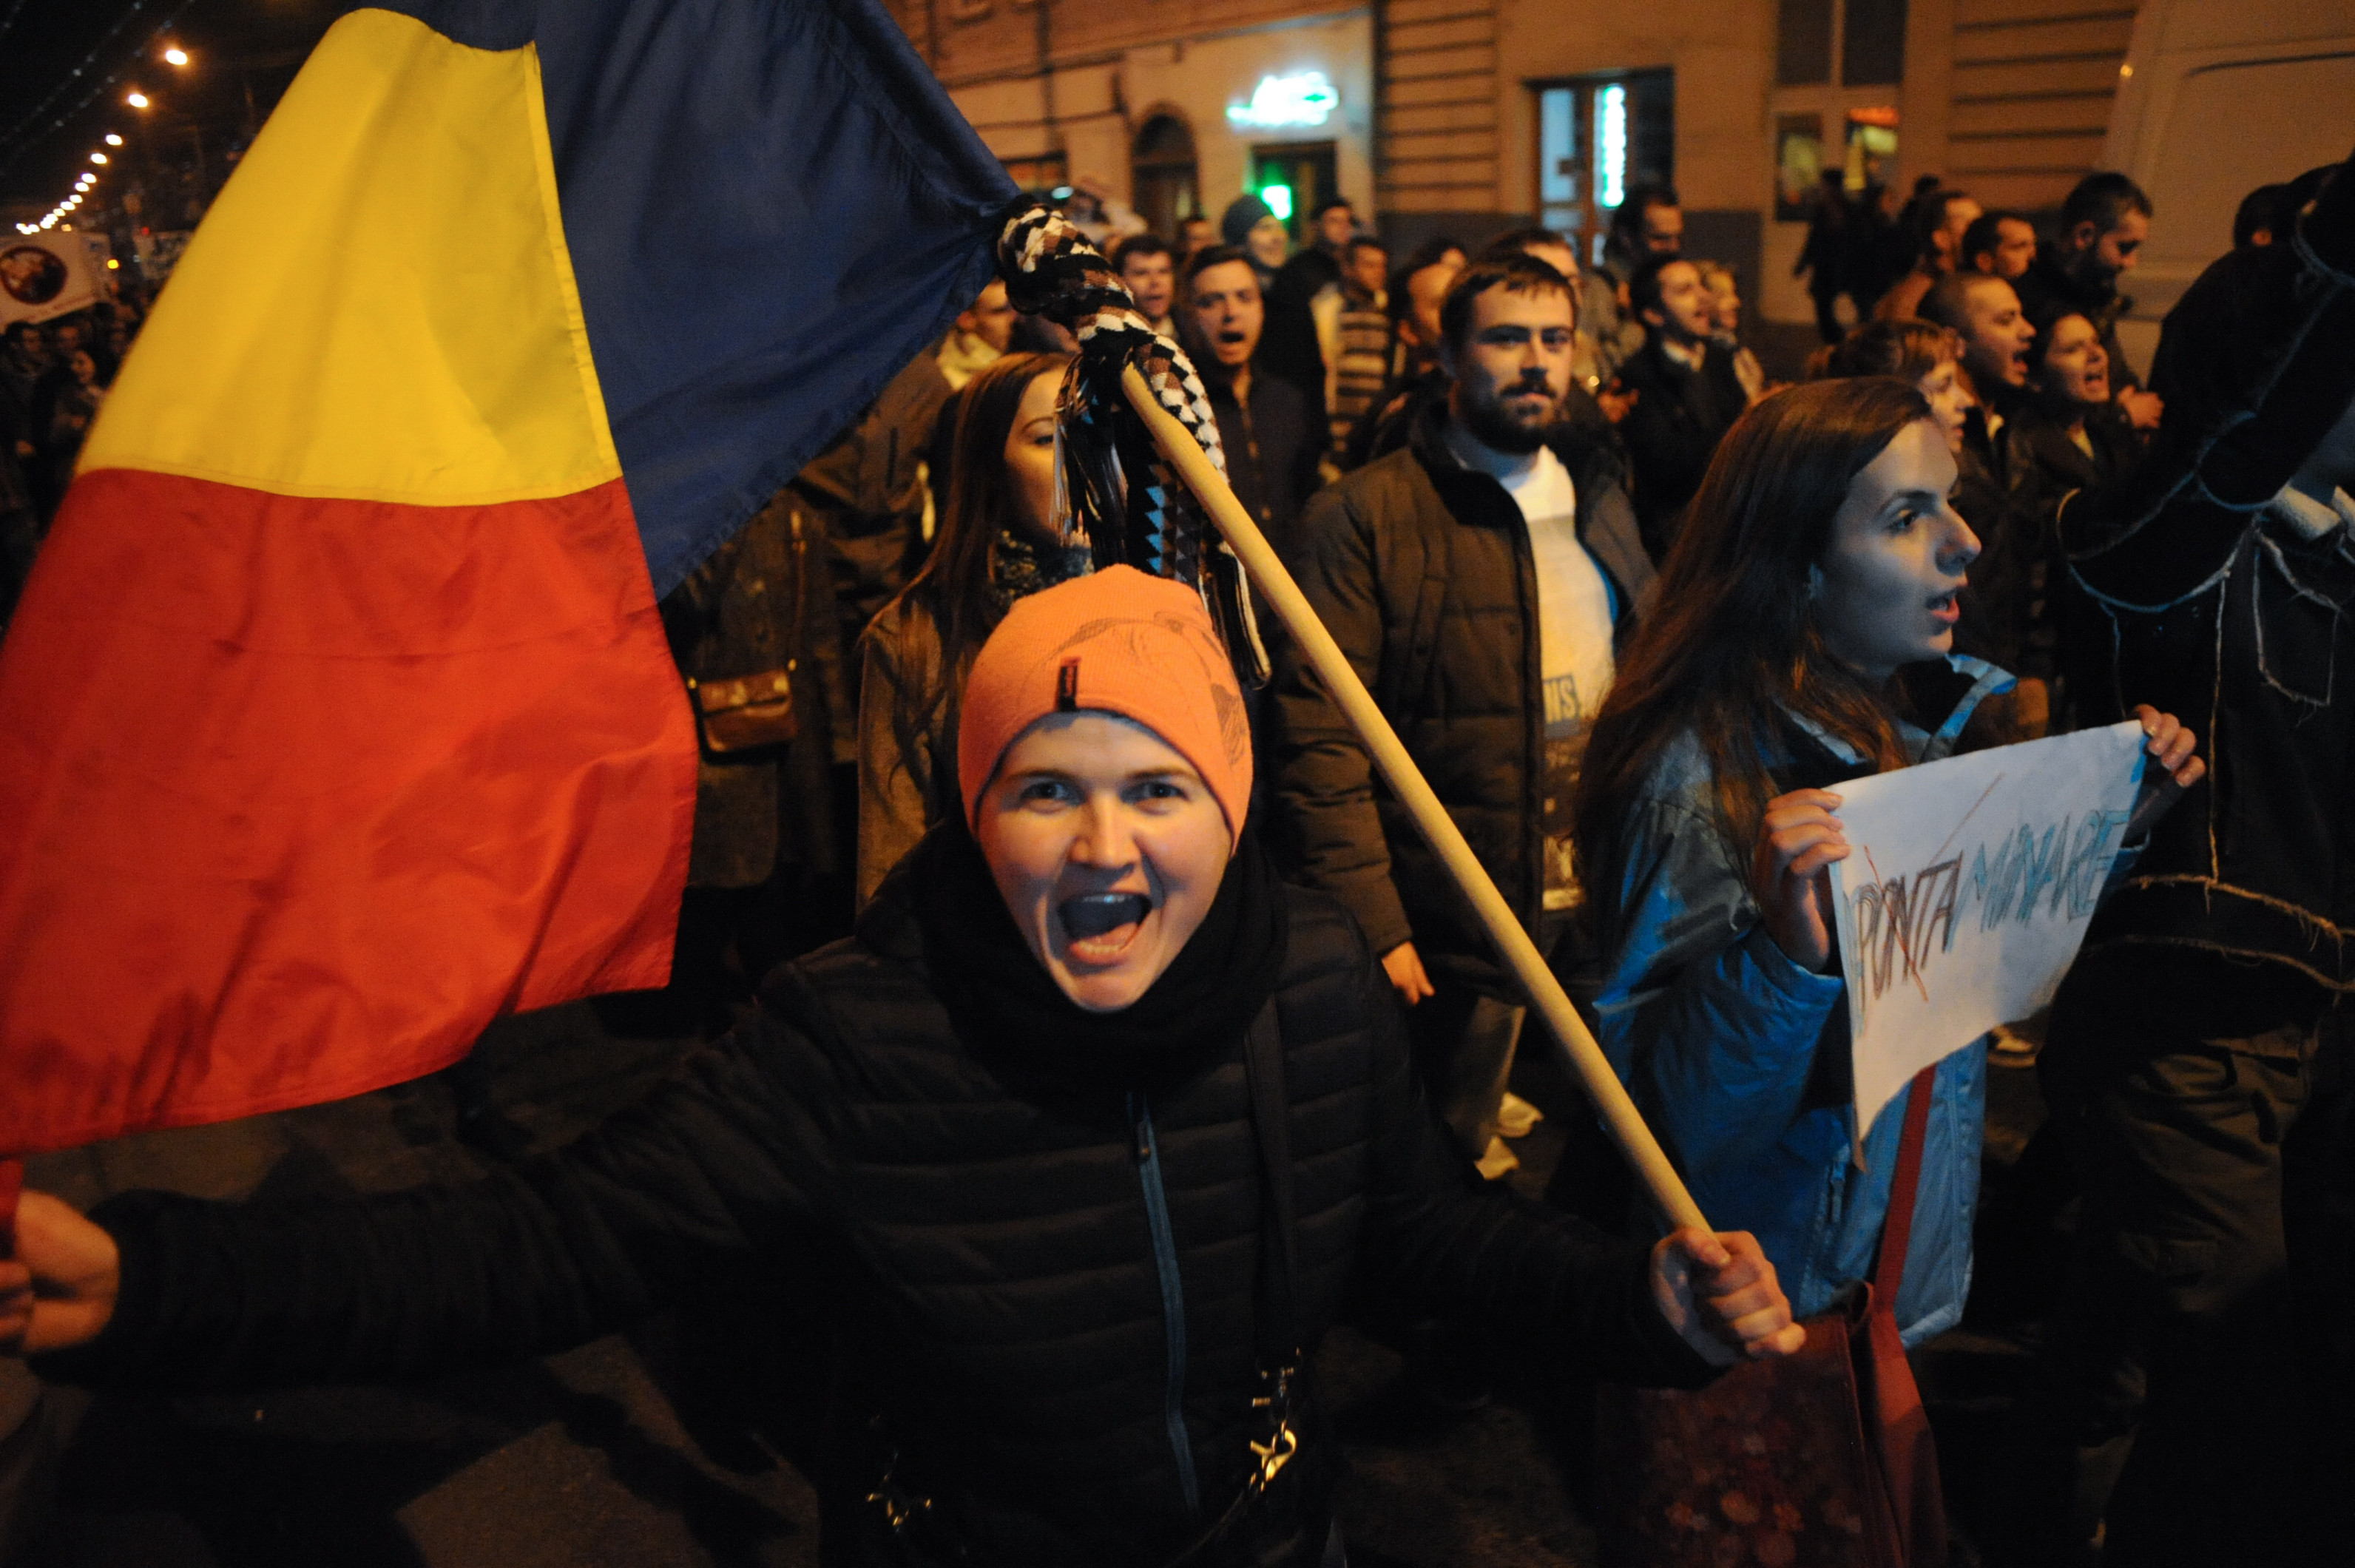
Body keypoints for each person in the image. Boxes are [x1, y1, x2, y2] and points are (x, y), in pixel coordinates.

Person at [2, 566, 1807, 1568]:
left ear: (1230, 803)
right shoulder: (852, 1032)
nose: (1101, 842)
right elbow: (534, 1242)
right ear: (972, 806)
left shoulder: (1313, 977)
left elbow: (1424, 1237)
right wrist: (160, 1275)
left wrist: (1633, 1294)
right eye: (1043, 784)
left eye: (1155, 784)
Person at [1574, 376, 2205, 1353]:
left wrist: (2111, 828)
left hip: (1889, 1286)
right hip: (1764, 1318)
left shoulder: (1936, 722)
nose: (1967, 540)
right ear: (1799, 562)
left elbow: (1974, 972)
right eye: (1908, 516)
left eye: (1949, 498)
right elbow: (1677, 1135)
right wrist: (1786, 964)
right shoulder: (1700, 782)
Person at [2021, 141, 2355, 1568]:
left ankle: (2033, 1516)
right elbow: (2238, 439)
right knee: (2240, 1358)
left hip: (2303, 1026)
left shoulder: (2338, 563)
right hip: (2176, 1025)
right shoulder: (2143, 539)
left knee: (2105, 1330)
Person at [1268, 254, 1655, 1178]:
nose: (1535, 362)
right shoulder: (1365, 515)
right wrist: (1375, 915)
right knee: (1439, 1148)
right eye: (1505, 337)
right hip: (1459, 914)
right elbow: (1318, 734)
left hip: (1595, 889)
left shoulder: (1596, 490)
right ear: (1444, 351)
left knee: (1600, 1149)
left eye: (1553, 340)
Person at [858, 351, 1081, 905]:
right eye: (1045, 439)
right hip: (982, 953)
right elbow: (889, 870)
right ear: (990, 465)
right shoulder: (918, 638)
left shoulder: (1163, 610)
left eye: (1094, 431)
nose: (1078, 459)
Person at [1918, 271, 2047, 709]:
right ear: (1957, 342)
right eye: (2006, 320)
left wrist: (2035, 665)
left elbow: (2029, 556)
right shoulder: (1937, 444)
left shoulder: (2012, 432)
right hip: (1947, 682)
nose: (2027, 331)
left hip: (2004, 674)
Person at [1183, 246, 1321, 555]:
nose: (1231, 313)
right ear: (1189, 315)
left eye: (1244, 298)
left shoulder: (1288, 401)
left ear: (1261, 308)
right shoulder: (1176, 410)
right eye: (1211, 302)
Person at [1614, 255, 1749, 563]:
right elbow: (1669, 467)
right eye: (1685, 291)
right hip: (1681, 540)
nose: (1704, 297)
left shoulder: (1720, 359)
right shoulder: (1640, 377)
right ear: (1653, 314)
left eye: (1701, 286)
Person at [2011, 172, 2163, 431]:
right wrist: (2123, 415)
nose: (2131, 263)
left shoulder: (2093, 293)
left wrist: (2130, 394)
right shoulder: (2031, 304)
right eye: (2125, 247)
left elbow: (2117, 370)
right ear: (2084, 235)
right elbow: (2044, 404)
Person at [1342, 237, 1463, 470]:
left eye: (1461, 301)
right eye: (1441, 304)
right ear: (1407, 331)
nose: (1458, 314)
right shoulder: (1400, 419)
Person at [1589, 186, 1683, 380]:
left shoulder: (1668, 283)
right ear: (1627, 238)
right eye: (1660, 238)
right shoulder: (1599, 292)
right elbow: (1590, 370)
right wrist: (1633, 324)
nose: (1673, 248)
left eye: (1677, 237)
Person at [1874, 188, 1982, 322]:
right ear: (1941, 240)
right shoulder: (1918, 300)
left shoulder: (1961, 284)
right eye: (1970, 225)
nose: (1980, 233)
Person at [1327, 235, 1391, 456]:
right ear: (1348, 269)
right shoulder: (1330, 310)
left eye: (1382, 265)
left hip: (1376, 429)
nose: (1379, 272)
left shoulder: (1387, 311)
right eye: (1369, 265)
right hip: (1338, 432)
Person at [1794, 169, 1859, 343]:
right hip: (1832, 266)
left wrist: (1803, 264)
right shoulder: (1839, 209)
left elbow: (1815, 240)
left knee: (1824, 307)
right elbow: (1815, 240)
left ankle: (1837, 339)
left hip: (1832, 266)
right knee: (1825, 306)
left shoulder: (1833, 210)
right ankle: (1836, 339)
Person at [1693, 260, 1766, 405]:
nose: (1736, 302)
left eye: (1734, 293)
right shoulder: (1707, 355)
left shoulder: (1730, 346)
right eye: (1724, 296)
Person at [936, 277, 1015, 391]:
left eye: (1016, 308)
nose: (1015, 318)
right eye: (1000, 311)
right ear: (966, 320)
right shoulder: (954, 382)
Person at [1112, 233, 1178, 338]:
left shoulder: (1194, 333)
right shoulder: (1108, 340)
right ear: (1120, 281)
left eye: (1163, 272)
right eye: (1141, 273)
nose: (1155, 282)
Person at [1962, 209, 2038, 282]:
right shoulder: (1988, 293)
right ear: (1985, 261)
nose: (2033, 255)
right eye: (2018, 247)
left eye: (2033, 245)